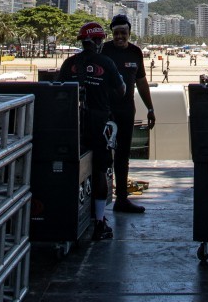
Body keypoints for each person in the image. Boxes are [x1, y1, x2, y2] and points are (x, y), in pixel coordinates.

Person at [60, 21, 126, 240]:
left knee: (70, 169)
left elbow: (57, 91)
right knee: (99, 171)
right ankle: (99, 222)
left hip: (71, 125)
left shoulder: (68, 64)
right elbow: (121, 90)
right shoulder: (106, 62)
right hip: (98, 124)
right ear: (97, 41)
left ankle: (67, 217)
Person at [99, 14, 156, 213]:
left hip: (126, 110)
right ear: (111, 34)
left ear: (129, 33)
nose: (120, 37)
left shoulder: (136, 52)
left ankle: (121, 199)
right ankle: (96, 202)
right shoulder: (103, 50)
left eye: (123, 33)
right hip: (104, 111)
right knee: (101, 155)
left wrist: (150, 108)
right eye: (116, 33)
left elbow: (141, 82)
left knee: (122, 156)